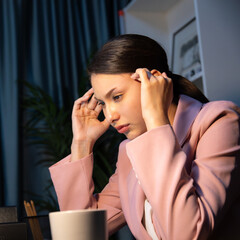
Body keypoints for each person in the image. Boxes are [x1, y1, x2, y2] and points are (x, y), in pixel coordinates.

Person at [49, 34, 240, 239]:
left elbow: (187, 233)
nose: (110, 115)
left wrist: (157, 119)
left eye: (117, 97)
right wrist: (82, 143)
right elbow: (80, 234)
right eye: (103, 103)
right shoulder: (129, 153)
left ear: (153, 81)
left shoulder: (219, 122)